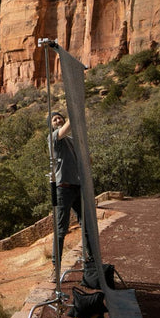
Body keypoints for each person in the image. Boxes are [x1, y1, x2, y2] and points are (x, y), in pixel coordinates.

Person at [49, 111, 91, 273]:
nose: (58, 120)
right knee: (61, 229)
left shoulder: (73, 141)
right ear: (52, 125)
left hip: (77, 187)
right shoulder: (53, 138)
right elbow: (66, 128)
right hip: (63, 188)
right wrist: (76, 111)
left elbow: (87, 161)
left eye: (60, 118)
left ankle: (91, 261)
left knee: (86, 225)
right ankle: (56, 267)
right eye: (54, 119)